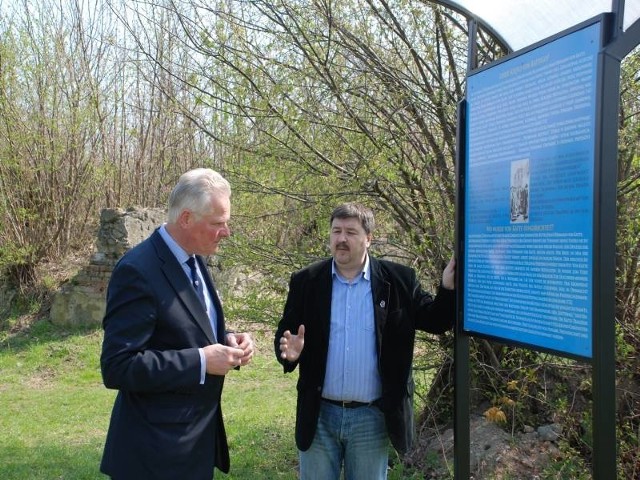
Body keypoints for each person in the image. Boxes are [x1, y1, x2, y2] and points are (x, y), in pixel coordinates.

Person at [275, 202, 455, 480]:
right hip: (320, 414)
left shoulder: (399, 280)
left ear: (368, 239)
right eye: (336, 231)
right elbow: (285, 335)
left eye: (351, 232)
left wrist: (447, 288)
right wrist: (290, 353)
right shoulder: (307, 281)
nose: (342, 239)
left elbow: (436, 321)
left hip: (371, 419)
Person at [100, 168, 254, 480]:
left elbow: (186, 328)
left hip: (193, 446)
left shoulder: (195, 258)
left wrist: (226, 341)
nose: (226, 232)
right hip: (153, 456)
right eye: (218, 224)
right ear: (186, 219)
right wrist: (201, 360)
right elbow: (118, 366)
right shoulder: (137, 270)